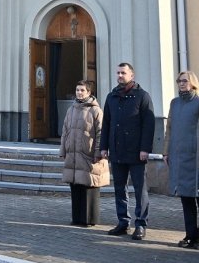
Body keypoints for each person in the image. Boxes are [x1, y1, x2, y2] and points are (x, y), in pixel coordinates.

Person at [162, 71, 199, 250]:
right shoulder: (175, 103)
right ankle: (190, 234)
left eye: (185, 80)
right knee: (186, 198)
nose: (181, 83)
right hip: (180, 159)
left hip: (198, 159)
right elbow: (169, 129)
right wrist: (166, 152)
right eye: (179, 81)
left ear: (193, 82)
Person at [100, 62, 155, 240]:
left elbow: (149, 125)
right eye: (118, 72)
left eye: (123, 72)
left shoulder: (142, 96)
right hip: (117, 151)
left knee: (140, 189)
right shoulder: (111, 96)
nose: (120, 75)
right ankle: (123, 222)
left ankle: (141, 224)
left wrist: (145, 149)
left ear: (132, 75)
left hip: (136, 152)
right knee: (119, 189)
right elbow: (106, 124)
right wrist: (103, 147)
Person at [59, 80, 109, 227]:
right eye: (77, 90)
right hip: (73, 155)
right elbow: (65, 131)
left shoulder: (96, 111)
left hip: (88, 155)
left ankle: (89, 219)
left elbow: (101, 133)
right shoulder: (71, 109)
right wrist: (63, 150)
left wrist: (98, 152)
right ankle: (77, 218)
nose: (79, 93)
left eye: (82, 90)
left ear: (89, 92)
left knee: (89, 186)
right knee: (76, 186)